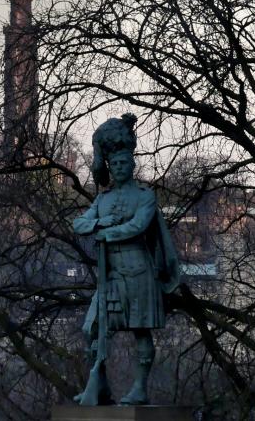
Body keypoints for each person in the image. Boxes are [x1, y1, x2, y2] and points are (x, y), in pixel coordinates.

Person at [73, 114, 179, 405]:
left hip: (138, 271)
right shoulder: (103, 199)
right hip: (111, 276)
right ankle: (100, 385)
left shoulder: (145, 195)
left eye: (124, 163)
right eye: (114, 164)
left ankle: (140, 388)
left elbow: (138, 226)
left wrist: (107, 232)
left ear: (132, 165)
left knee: (140, 331)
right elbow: (79, 224)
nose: (119, 168)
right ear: (110, 165)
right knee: (91, 329)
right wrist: (100, 223)